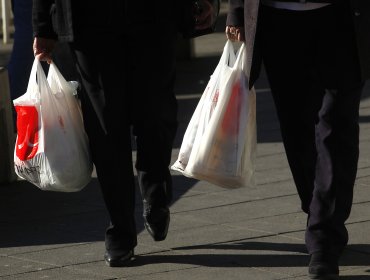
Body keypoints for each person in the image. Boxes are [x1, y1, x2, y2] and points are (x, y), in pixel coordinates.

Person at [32, 0, 214, 268]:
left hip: (154, 16)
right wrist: (42, 24)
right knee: (106, 126)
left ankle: (155, 189)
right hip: (90, 22)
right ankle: (120, 229)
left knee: (155, 112)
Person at [226, 1, 370, 279]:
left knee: (336, 124)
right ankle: (318, 208)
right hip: (280, 19)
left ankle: (323, 236)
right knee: (296, 126)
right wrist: (236, 12)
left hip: (342, 16)